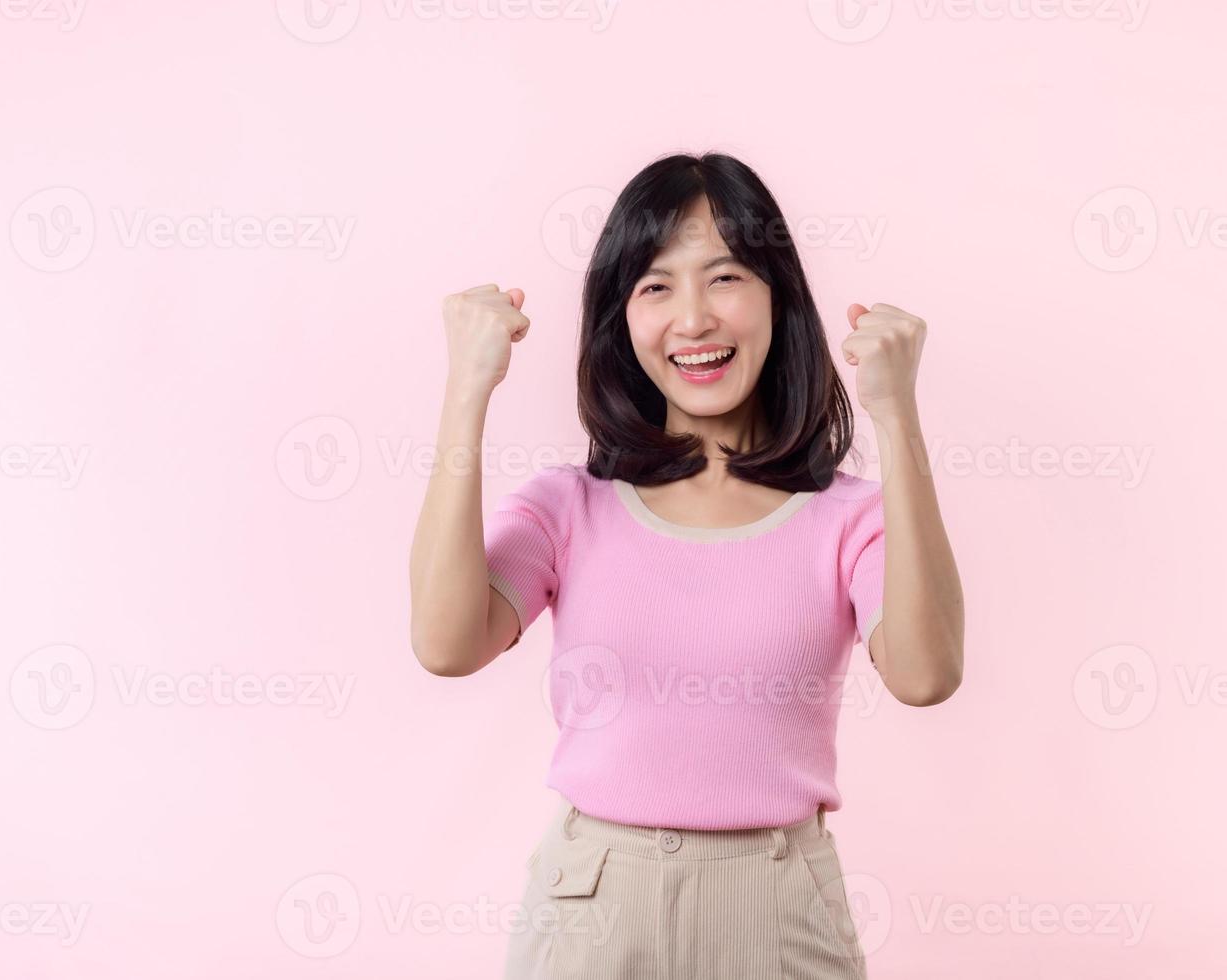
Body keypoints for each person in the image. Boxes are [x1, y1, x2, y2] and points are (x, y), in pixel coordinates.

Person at [409, 151, 965, 979]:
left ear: (779, 298)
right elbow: (446, 644)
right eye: (656, 286)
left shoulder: (848, 518)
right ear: (621, 319)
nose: (694, 319)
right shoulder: (569, 506)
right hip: (590, 912)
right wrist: (466, 391)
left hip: (779, 912)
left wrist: (896, 414)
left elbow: (926, 673)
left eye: (727, 276)